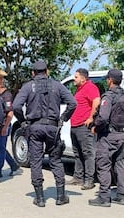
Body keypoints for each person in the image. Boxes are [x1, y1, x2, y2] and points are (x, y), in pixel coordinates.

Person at [12, 60, 77, 207]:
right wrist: (63, 118)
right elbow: (73, 103)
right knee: (56, 160)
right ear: (47, 71)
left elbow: (16, 106)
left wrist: (23, 121)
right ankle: (60, 196)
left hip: (34, 127)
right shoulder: (57, 85)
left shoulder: (28, 87)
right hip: (53, 127)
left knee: (35, 161)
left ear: (33, 73)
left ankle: (40, 198)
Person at [89, 68, 124, 207]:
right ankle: (121, 195)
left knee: (103, 165)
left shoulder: (108, 97)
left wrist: (95, 127)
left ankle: (104, 196)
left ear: (110, 80)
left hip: (108, 136)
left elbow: (102, 117)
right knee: (120, 165)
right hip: (122, 136)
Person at [69, 68, 100, 190]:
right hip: (75, 125)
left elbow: (96, 101)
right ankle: (78, 177)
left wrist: (91, 117)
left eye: (76, 77)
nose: (74, 79)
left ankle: (89, 180)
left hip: (83, 126)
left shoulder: (90, 87)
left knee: (87, 153)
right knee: (77, 153)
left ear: (83, 78)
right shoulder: (79, 89)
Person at [0, 80, 22, 179]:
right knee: (0, 147)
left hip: (4, 124)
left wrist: (5, 126)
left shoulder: (7, 95)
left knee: (1, 148)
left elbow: (10, 113)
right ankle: (13, 165)